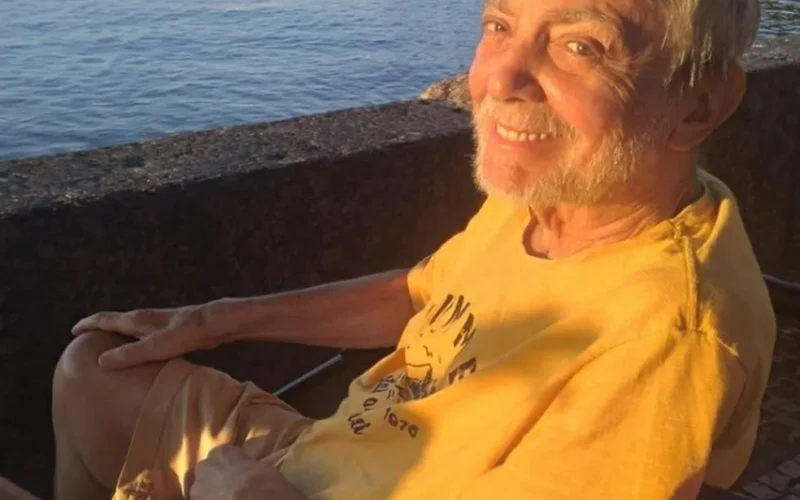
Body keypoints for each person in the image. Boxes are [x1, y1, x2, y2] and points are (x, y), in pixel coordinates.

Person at [0, 0, 776, 498]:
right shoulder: (563, 195)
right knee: (95, 367)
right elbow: (422, 293)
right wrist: (213, 319)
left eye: (582, 46)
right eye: (500, 25)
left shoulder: (670, 338)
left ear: (698, 105)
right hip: (328, 451)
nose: (501, 77)